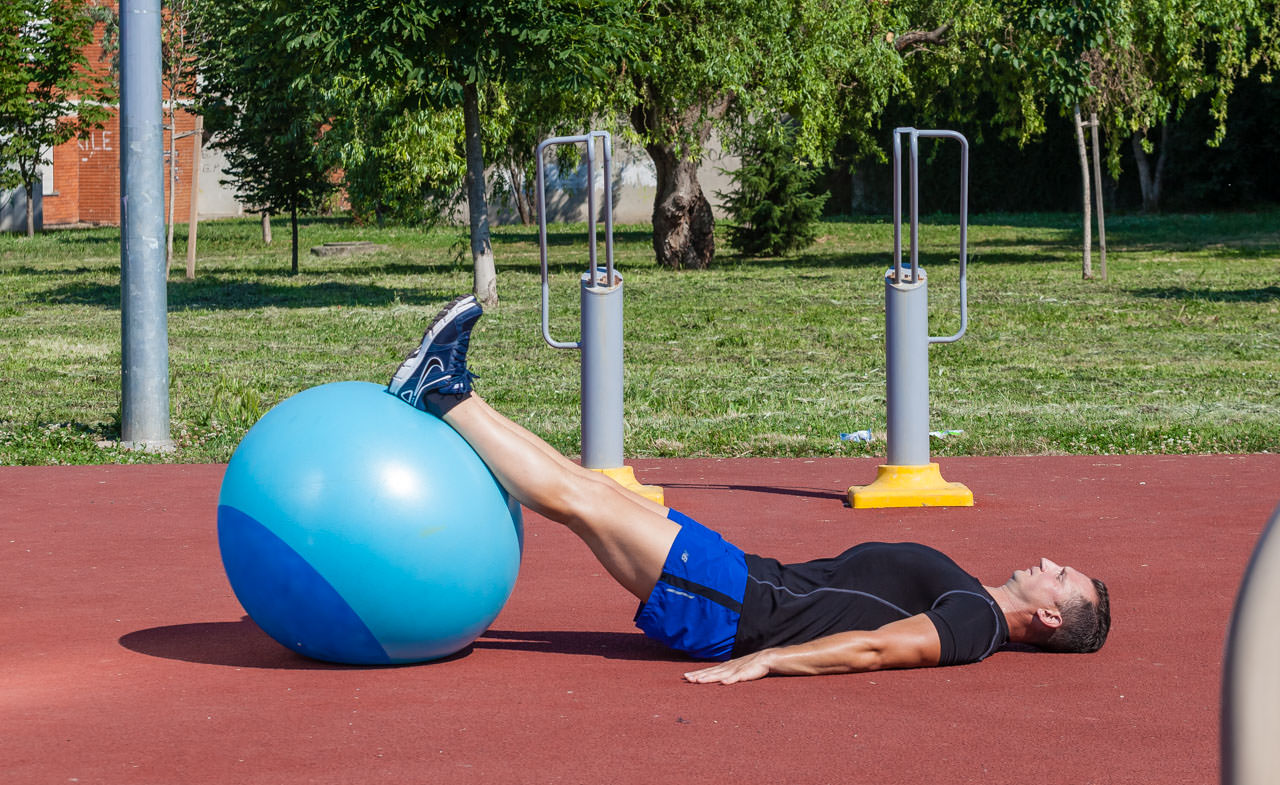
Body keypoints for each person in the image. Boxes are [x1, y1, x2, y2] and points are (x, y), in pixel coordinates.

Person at [387, 295, 1112, 684]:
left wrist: (770, 660)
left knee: (583, 501)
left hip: (738, 610)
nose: (1048, 562)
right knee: (587, 487)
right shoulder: (972, 600)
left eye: (1061, 576)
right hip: (742, 581)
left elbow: (878, 650)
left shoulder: (974, 624)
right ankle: (448, 391)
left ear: (1050, 617)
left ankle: (444, 393)